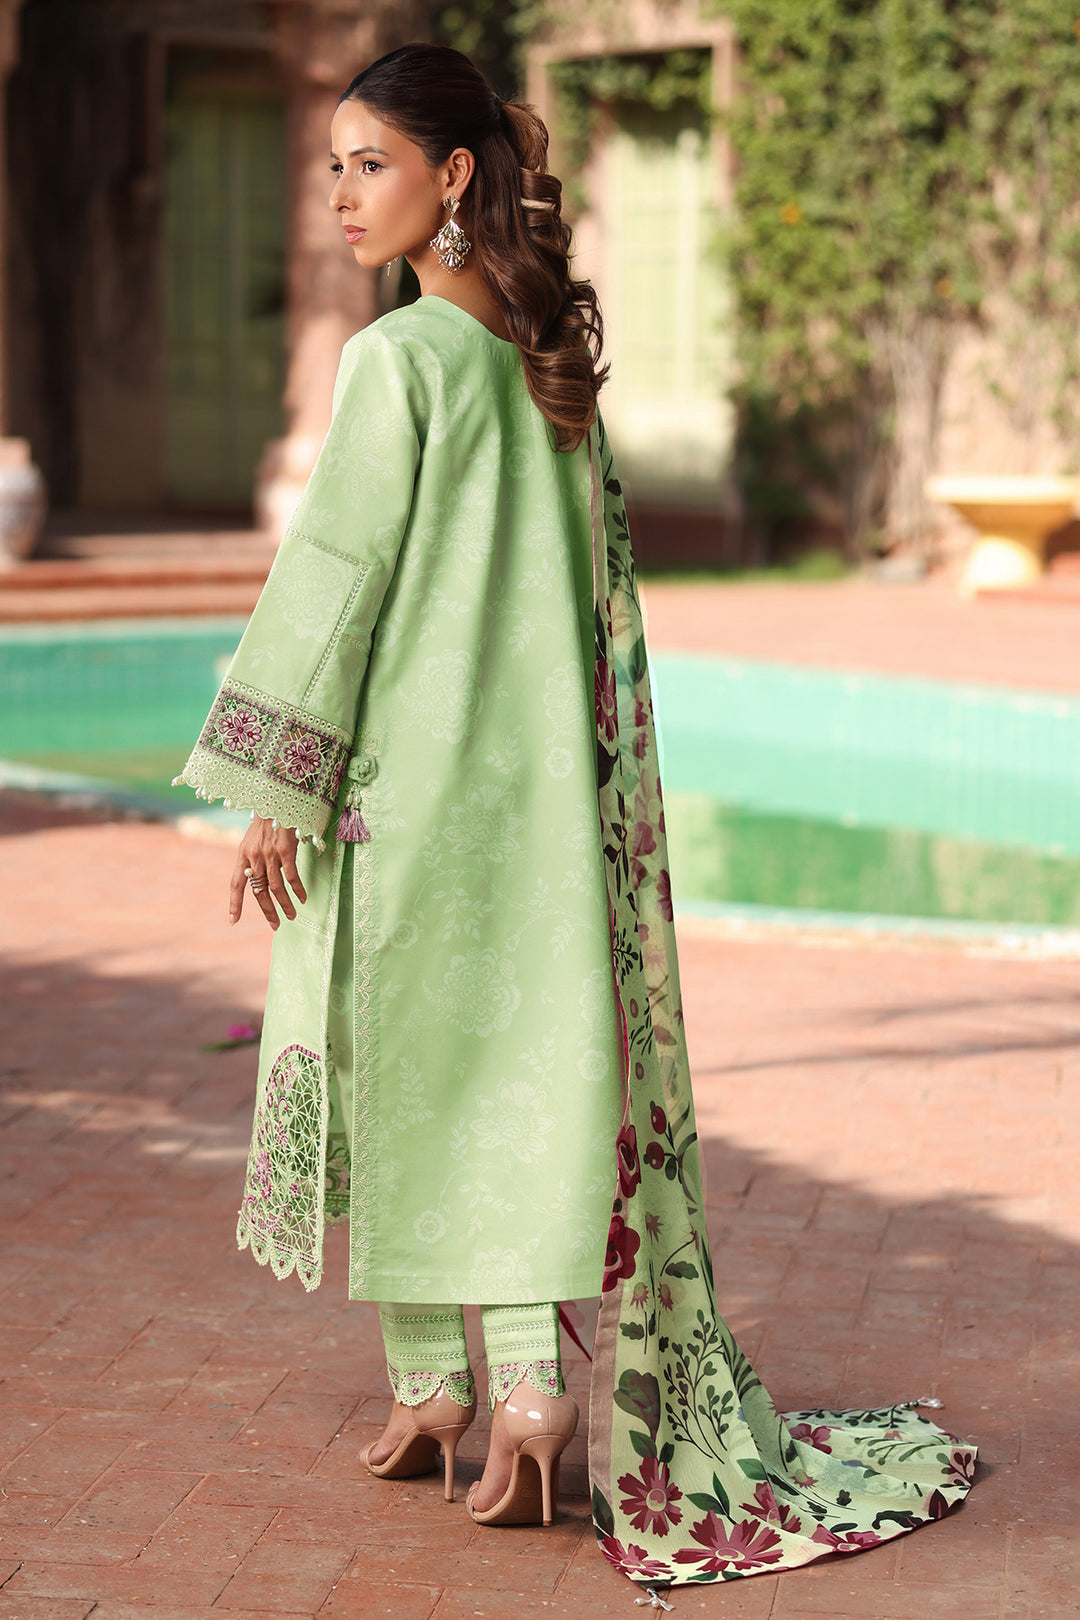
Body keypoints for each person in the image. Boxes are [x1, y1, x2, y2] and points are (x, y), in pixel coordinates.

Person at [176, 41, 977, 1586]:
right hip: (542, 811)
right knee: (508, 1082)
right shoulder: (549, 369)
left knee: (398, 1074)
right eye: (332, 165)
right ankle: (519, 1395)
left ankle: (442, 1384)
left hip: (401, 799)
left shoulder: (400, 360)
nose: (339, 193)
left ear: (451, 176)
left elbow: (336, 579)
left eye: (369, 163)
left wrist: (278, 787)